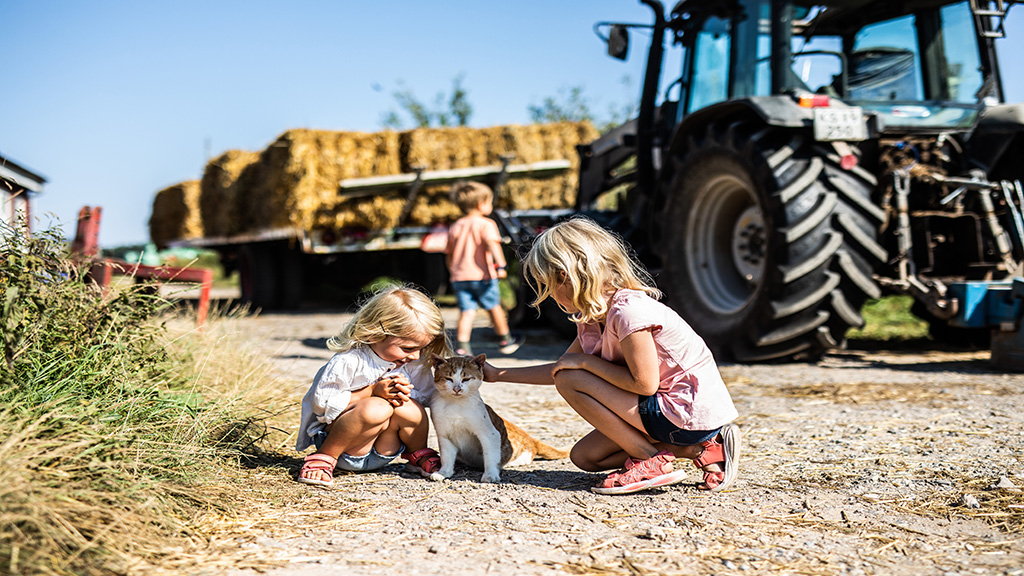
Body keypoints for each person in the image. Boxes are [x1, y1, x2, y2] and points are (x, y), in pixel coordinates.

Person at [483, 217, 741, 495]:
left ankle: (651, 460)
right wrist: (498, 375)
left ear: (564, 275)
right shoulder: (593, 316)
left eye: (546, 284)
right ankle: (700, 449)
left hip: (684, 413)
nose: (549, 296)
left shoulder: (629, 312)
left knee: (571, 380)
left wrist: (585, 363)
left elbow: (644, 385)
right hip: (669, 418)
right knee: (585, 458)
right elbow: (561, 368)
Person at [295, 285, 449, 486]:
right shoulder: (349, 361)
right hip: (347, 448)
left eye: (422, 348)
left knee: (408, 407)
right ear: (374, 334)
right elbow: (322, 404)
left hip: (385, 451)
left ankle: (417, 455)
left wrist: (404, 394)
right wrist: (372, 392)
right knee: (376, 408)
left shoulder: (413, 363)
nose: (415, 355)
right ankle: (324, 457)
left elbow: (429, 396)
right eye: (408, 348)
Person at [445, 180, 523, 356]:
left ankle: (462, 347)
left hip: (459, 277)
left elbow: (449, 254)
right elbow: (493, 245)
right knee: (494, 307)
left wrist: (453, 271)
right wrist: (501, 266)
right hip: (483, 277)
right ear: (481, 204)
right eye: (489, 202)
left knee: (466, 312)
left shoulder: (455, 226)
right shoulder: (486, 224)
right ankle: (505, 339)